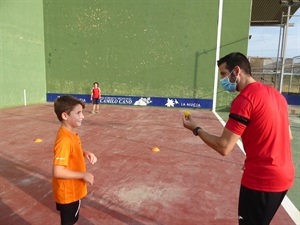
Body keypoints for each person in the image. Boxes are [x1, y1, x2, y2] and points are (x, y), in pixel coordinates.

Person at [182, 52, 294, 225]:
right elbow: (289, 136)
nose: (222, 79)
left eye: (223, 74)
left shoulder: (244, 100)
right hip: (285, 175)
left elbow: (224, 147)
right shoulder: (277, 96)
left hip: (262, 179)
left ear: (236, 71)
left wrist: (196, 129)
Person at [52, 95, 97, 225]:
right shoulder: (65, 140)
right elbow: (58, 171)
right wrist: (83, 174)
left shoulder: (70, 133)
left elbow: (71, 151)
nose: (82, 116)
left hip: (68, 191)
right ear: (65, 116)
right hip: (69, 193)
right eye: (78, 113)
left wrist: (84, 153)